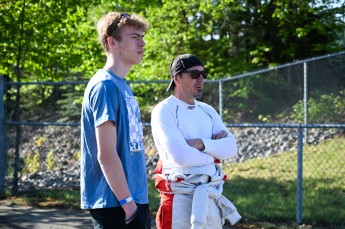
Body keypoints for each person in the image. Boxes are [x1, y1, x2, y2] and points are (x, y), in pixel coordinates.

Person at [151, 54, 242, 229]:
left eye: (203, 74)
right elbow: (181, 157)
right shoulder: (164, 110)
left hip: (209, 195)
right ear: (177, 78)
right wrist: (215, 154)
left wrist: (202, 143)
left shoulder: (208, 110)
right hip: (179, 199)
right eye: (194, 74)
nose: (201, 79)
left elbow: (231, 148)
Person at [80, 12, 151, 229]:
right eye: (134, 37)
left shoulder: (122, 85)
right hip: (116, 205)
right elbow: (107, 155)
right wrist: (129, 207)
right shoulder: (105, 86)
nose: (142, 43)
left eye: (142, 37)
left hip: (132, 201)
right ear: (112, 42)